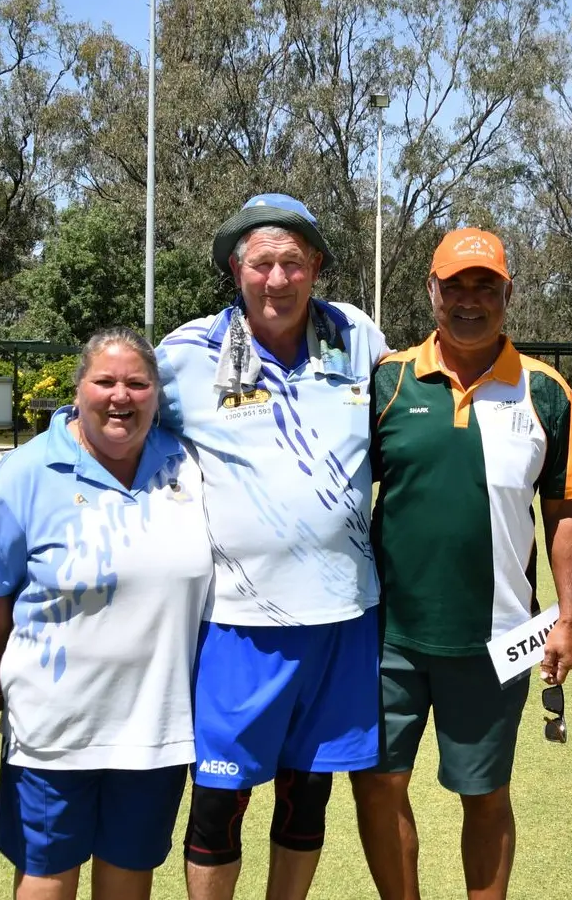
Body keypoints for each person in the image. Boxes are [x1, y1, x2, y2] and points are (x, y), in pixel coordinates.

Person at [155, 194, 388, 900]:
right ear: (236, 270)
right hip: (237, 624)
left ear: (315, 265)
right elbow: (108, 421)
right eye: (261, 264)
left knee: (306, 800)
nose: (277, 279)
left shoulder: (357, 334)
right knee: (218, 805)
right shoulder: (185, 353)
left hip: (343, 619)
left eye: (293, 262)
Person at [350, 227, 572, 900]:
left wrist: (569, 618)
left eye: (485, 286)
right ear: (432, 291)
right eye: (455, 286)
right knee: (377, 783)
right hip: (387, 633)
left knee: (485, 793)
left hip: (498, 636)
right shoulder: (389, 379)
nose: (469, 300)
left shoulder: (544, 391)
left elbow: (565, 510)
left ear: (508, 294)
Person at [0, 327, 212, 900]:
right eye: (105, 381)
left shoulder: (187, 464)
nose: (121, 396)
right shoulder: (26, 472)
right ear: (78, 389)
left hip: (157, 728)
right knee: (47, 878)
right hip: (53, 728)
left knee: (129, 879)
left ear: (157, 394)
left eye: (138, 383)